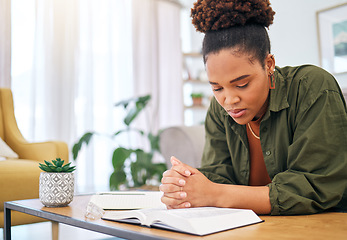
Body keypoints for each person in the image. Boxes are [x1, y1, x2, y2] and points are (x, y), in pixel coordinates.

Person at [159, 0, 347, 215]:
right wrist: (185, 185)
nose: (229, 100)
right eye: (218, 88)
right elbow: (218, 175)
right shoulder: (218, 110)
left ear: (269, 64)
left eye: (242, 84)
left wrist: (215, 194)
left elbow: (316, 186)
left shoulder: (312, 87)